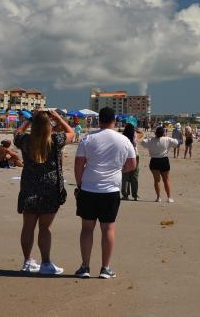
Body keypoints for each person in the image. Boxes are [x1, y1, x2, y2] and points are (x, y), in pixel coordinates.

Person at [74, 107, 138, 279]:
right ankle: (105, 268)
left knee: (87, 228)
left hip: (88, 188)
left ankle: (85, 266)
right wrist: (118, 169)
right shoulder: (124, 140)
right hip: (110, 190)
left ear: (98, 120)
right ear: (115, 121)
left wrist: (80, 183)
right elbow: (132, 164)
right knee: (108, 228)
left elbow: (78, 164)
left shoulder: (88, 138)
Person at [14, 109, 75, 275]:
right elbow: (72, 133)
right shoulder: (55, 139)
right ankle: (46, 263)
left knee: (28, 226)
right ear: (50, 125)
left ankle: (27, 261)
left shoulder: (26, 140)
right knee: (45, 227)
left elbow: (17, 133)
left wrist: (30, 120)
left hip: (29, 185)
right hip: (50, 187)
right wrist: (58, 118)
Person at [141, 126, 180, 202]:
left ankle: (158, 197)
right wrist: (166, 137)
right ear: (163, 133)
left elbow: (143, 142)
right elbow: (176, 142)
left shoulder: (151, 140)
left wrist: (149, 137)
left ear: (155, 133)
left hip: (154, 160)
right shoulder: (167, 139)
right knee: (166, 180)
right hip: (164, 160)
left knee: (157, 180)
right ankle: (169, 198)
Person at [120, 123, 141, 201]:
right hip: (135, 156)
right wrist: (136, 130)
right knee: (134, 176)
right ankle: (135, 195)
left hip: (125, 156)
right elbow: (142, 134)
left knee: (125, 176)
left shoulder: (123, 136)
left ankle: (125, 195)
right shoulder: (135, 135)